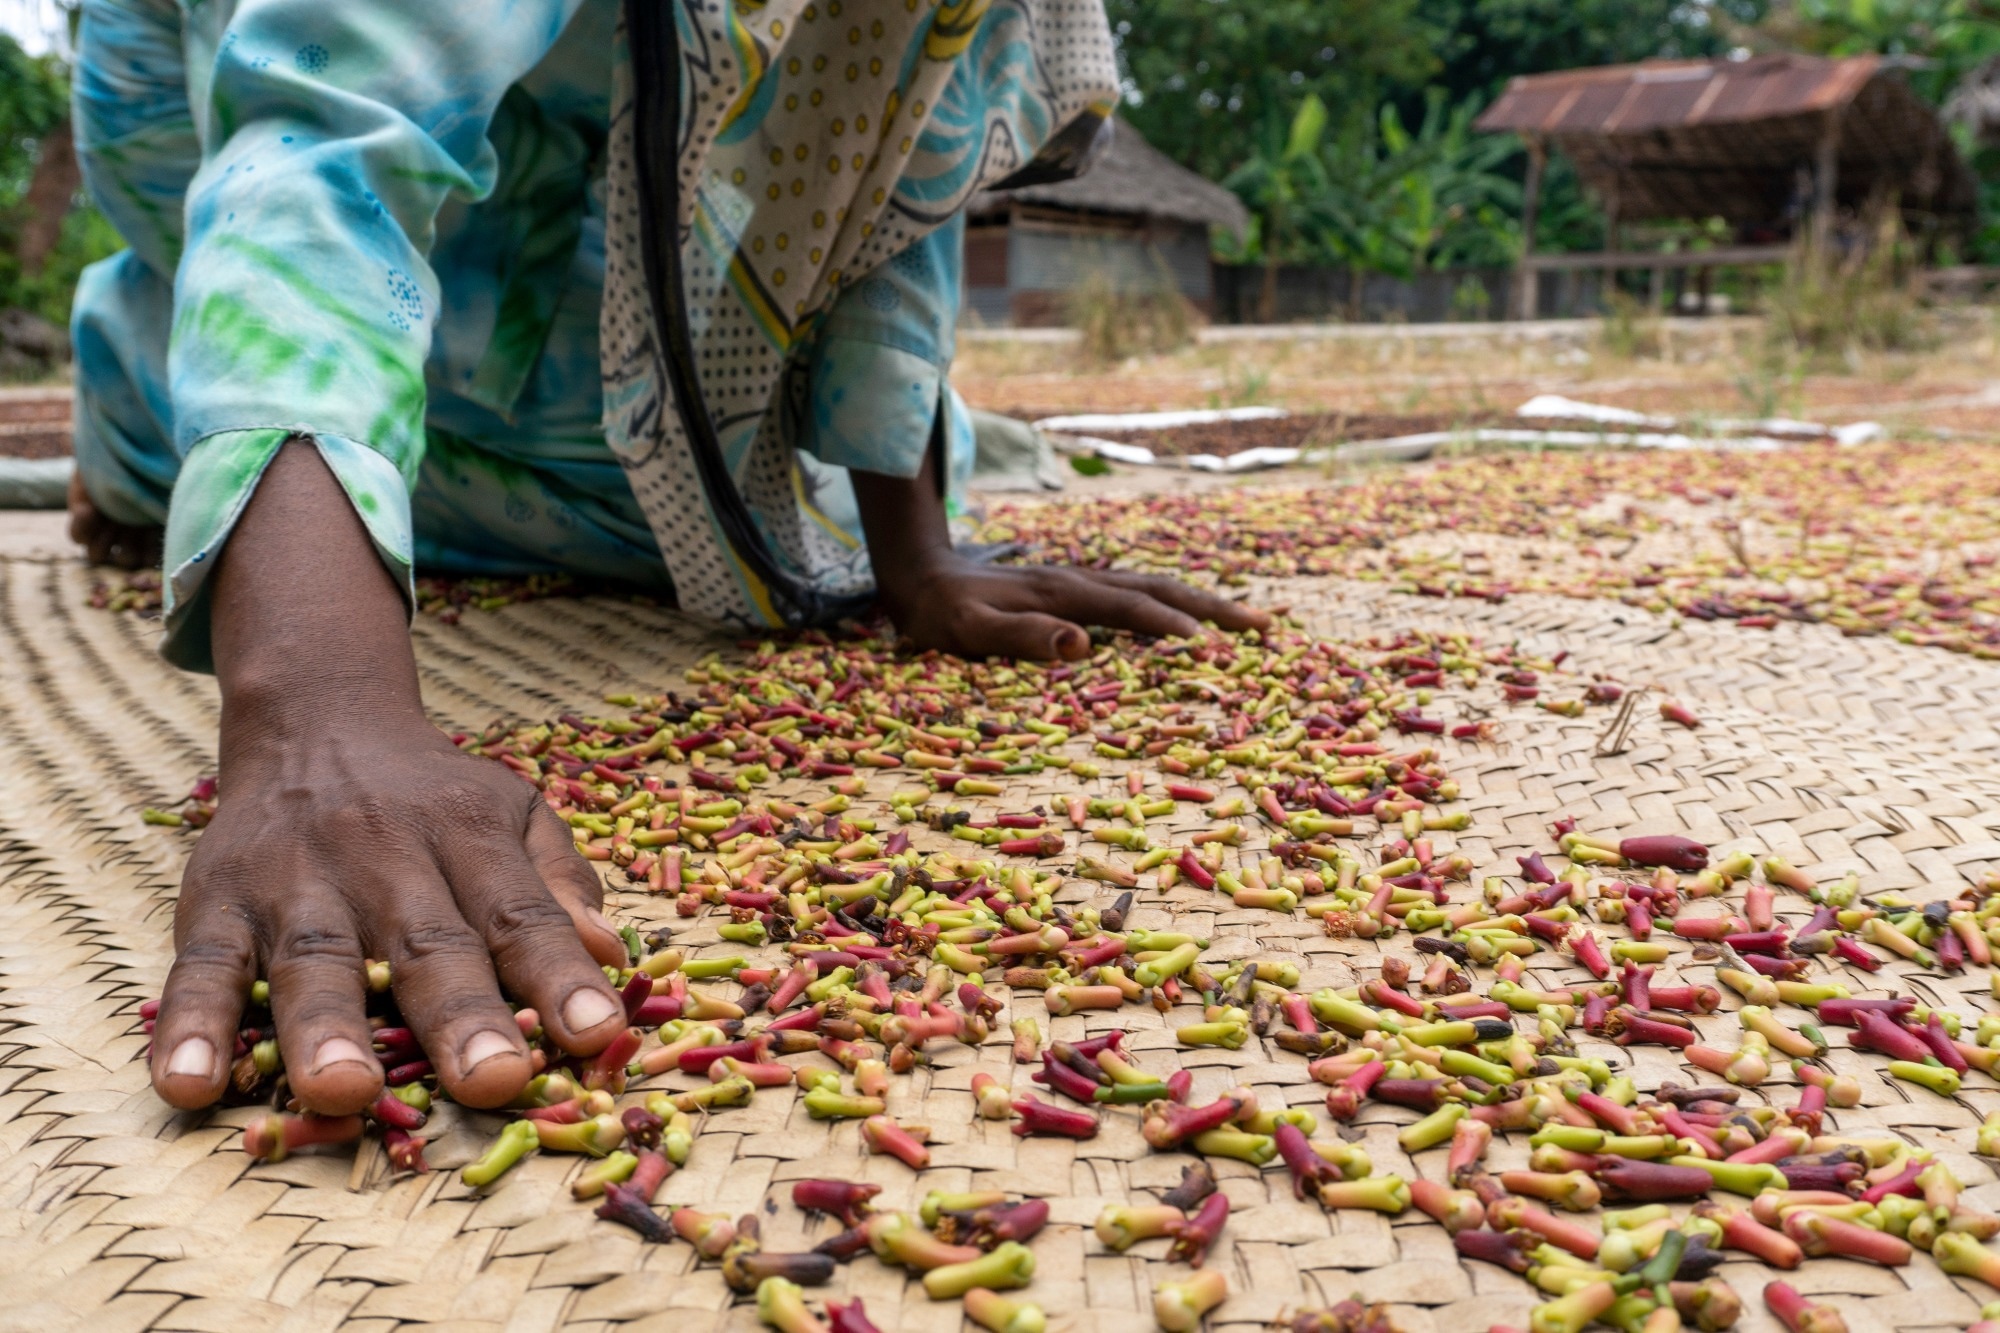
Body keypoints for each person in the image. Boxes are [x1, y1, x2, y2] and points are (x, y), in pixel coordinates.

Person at [67, 0, 1264, 1117]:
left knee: (713, 509)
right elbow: (326, 137)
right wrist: (316, 707)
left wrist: (913, 552)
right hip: (240, 94)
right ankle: (138, 371)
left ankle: (360, 432)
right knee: (269, 448)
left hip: (602, 146)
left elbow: (892, 122)